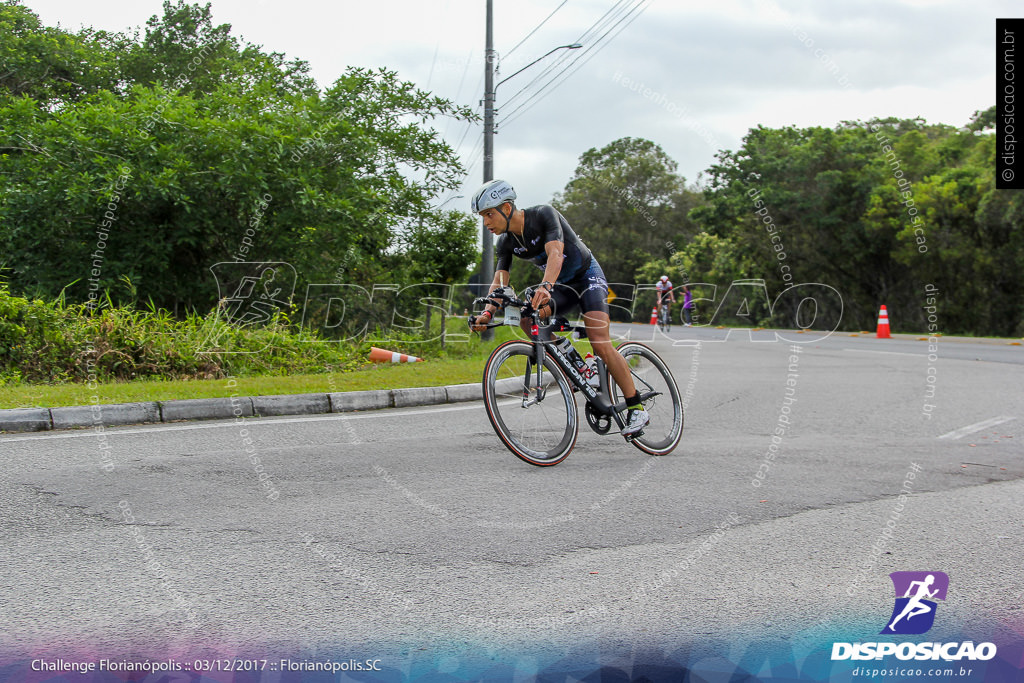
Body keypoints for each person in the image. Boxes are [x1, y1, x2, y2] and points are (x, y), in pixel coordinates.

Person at [468, 179, 649, 436]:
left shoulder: (543, 215)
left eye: (488, 214)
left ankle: (636, 407)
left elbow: (556, 254)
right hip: (561, 286)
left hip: (587, 278)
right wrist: (487, 313)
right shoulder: (506, 242)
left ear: (506, 208)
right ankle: (580, 366)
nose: (486, 222)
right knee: (527, 318)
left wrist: (546, 286)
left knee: (600, 342)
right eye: (482, 216)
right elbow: (499, 282)